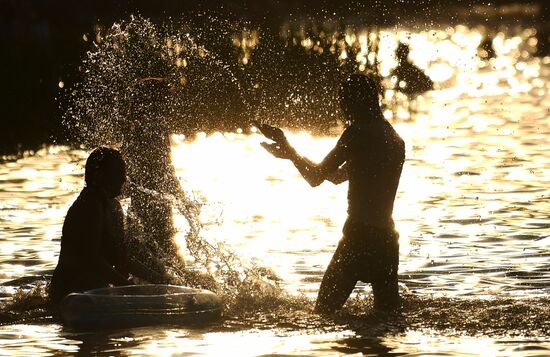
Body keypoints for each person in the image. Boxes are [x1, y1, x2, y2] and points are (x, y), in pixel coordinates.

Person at [255, 74, 405, 313]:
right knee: (386, 321)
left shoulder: (356, 134)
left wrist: (289, 149)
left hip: (358, 239)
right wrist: (291, 154)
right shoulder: (393, 138)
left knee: (323, 314)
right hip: (387, 241)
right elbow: (335, 177)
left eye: (344, 102)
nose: (342, 109)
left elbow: (315, 178)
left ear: (352, 103)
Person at [48, 147, 168, 303]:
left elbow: (121, 259)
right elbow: (91, 260)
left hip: (96, 296)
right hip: (69, 298)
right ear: (99, 175)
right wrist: (127, 286)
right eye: (118, 172)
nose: (124, 179)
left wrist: (160, 280)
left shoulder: (114, 206)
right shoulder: (88, 205)